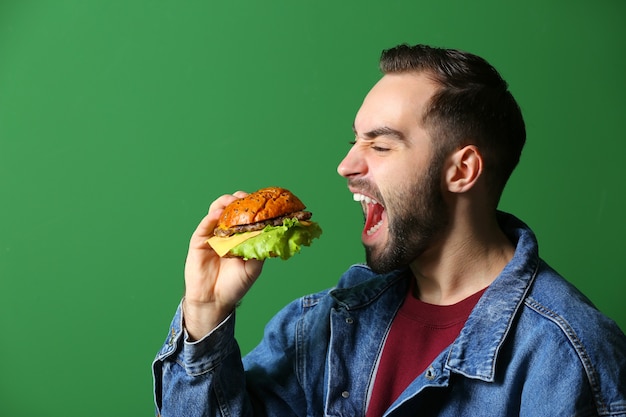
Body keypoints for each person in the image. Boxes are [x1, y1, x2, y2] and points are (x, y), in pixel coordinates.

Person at [152, 44, 626, 416]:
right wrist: (204, 314)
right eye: (355, 141)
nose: (345, 165)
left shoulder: (569, 356)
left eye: (380, 146)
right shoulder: (324, 326)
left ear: (461, 171)